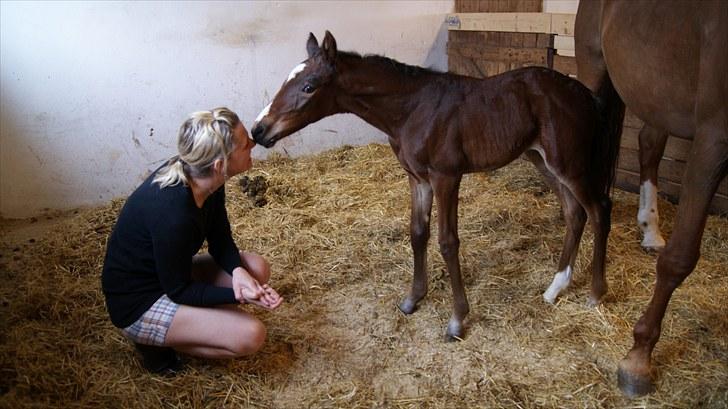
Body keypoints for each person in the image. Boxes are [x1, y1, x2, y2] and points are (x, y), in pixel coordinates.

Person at [102, 107, 282, 374]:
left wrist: (238, 272)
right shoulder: (174, 214)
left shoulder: (205, 177)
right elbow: (179, 291)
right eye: (245, 145)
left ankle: (186, 326)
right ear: (220, 165)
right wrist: (239, 295)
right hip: (139, 300)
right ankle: (151, 342)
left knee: (256, 269)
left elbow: (220, 238)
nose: (253, 145)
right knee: (251, 334)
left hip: (169, 273)